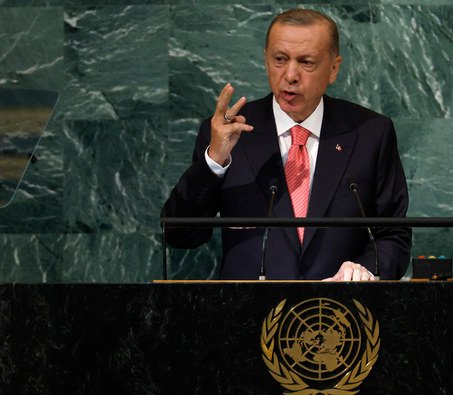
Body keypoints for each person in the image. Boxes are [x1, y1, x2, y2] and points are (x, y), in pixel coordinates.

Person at [162, 8, 410, 281]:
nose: (290, 75)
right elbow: (180, 235)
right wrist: (214, 163)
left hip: (337, 314)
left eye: (306, 62)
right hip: (247, 314)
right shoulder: (228, 134)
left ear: (334, 68)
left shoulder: (370, 133)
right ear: (266, 61)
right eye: (280, 59)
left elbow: (392, 237)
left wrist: (362, 272)